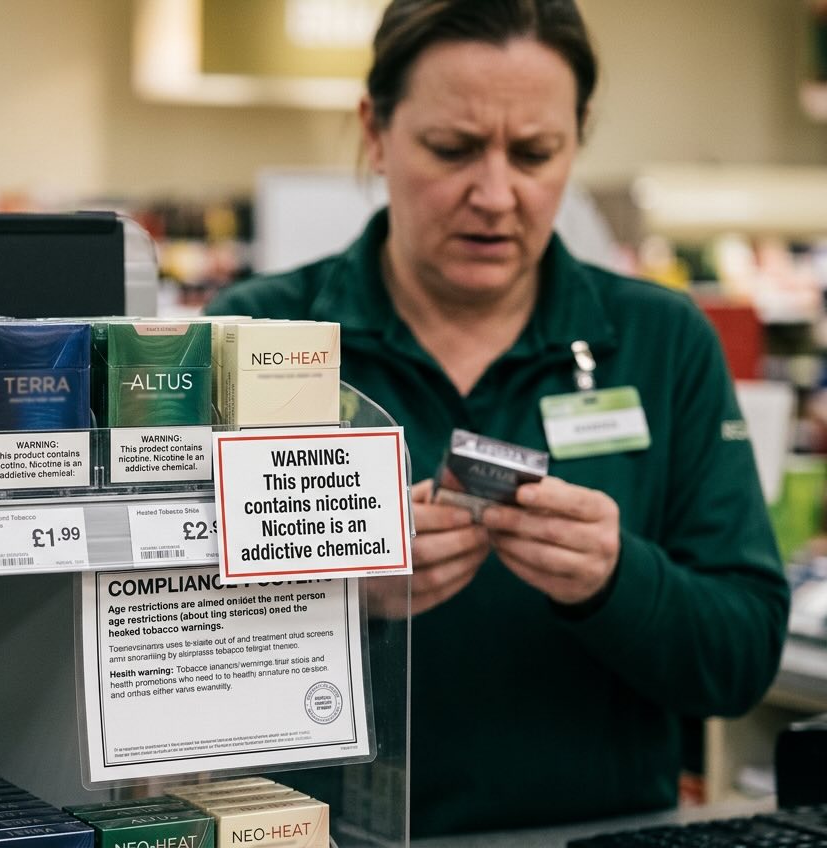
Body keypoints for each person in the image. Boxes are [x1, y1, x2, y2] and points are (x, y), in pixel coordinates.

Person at [206, 0, 790, 837]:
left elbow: (741, 660)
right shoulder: (257, 336)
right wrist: (339, 595)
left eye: (535, 153)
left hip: (603, 834)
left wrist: (616, 580)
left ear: (578, 138)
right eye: (452, 149)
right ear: (375, 131)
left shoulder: (662, 344)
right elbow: (173, 644)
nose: (494, 193)